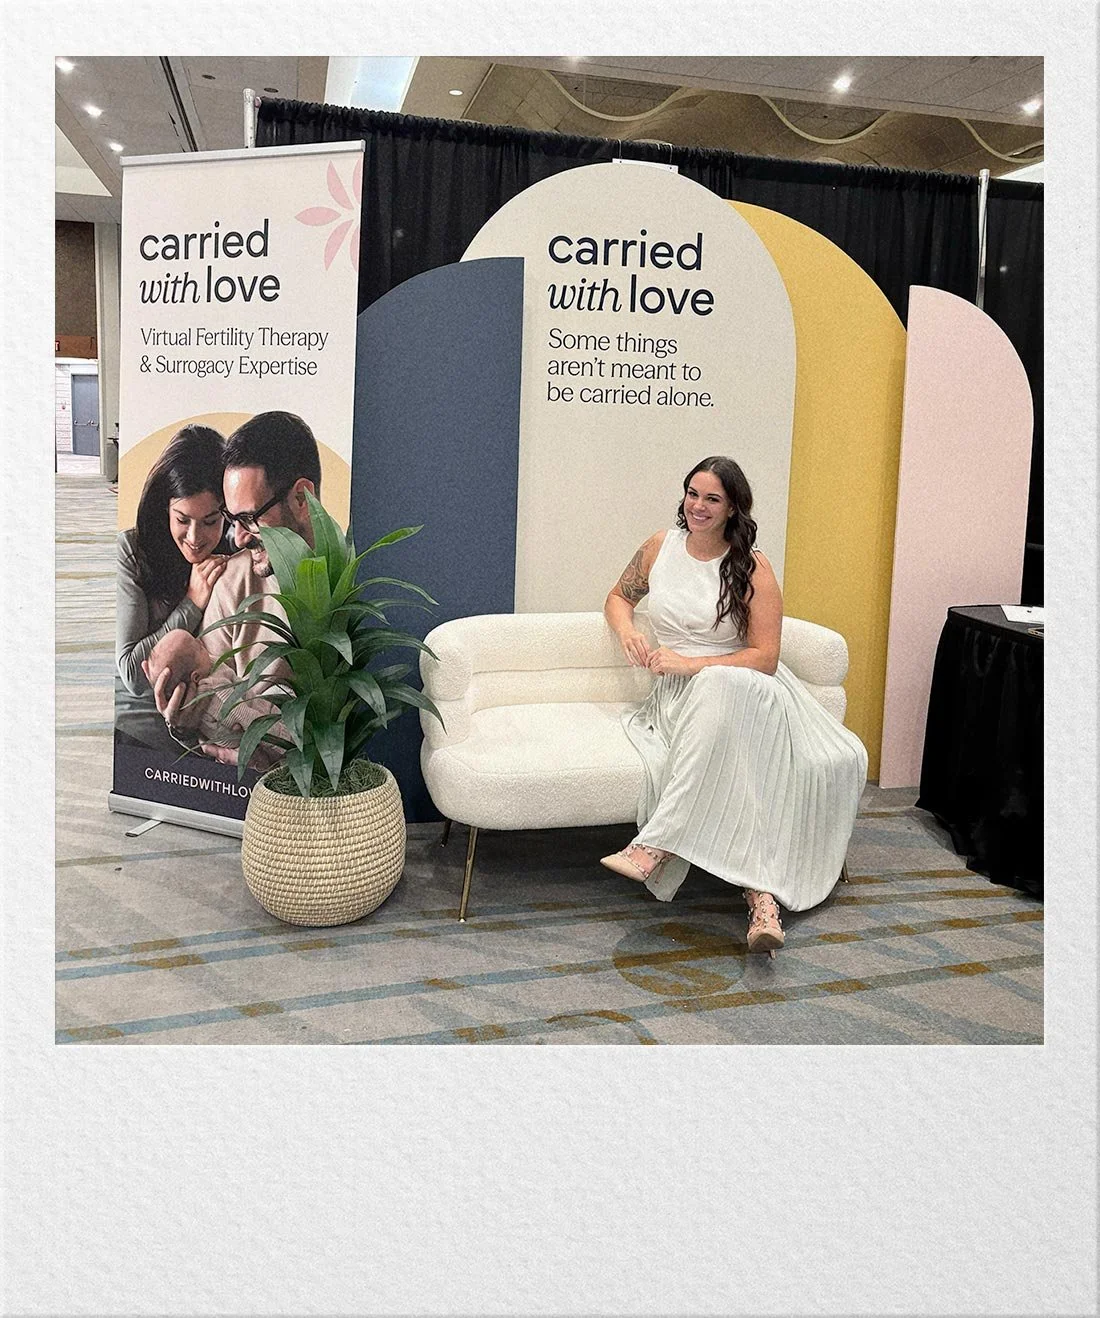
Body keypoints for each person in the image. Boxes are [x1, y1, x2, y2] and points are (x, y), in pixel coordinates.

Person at [600, 456, 868, 956]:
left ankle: (655, 844)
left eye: (712, 498)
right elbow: (618, 597)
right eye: (692, 493)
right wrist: (629, 631)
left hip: (749, 687)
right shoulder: (659, 547)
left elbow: (765, 658)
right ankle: (762, 901)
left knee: (721, 688)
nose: (698, 506)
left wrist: (689, 662)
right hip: (685, 698)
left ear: (732, 508)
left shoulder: (752, 566)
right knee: (744, 762)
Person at [147, 410, 324, 767]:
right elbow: (203, 684)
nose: (239, 538)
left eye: (249, 518)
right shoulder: (234, 580)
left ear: (302, 498)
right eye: (232, 519)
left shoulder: (349, 587)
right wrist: (181, 720)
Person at [115, 425, 229, 696]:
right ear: (164, 507)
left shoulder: (237, 551)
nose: (194, 537)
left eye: (210, 521)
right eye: (181, 519)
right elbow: (132, 673)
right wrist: (192, 603)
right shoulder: (132, 549)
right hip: (141, 726)